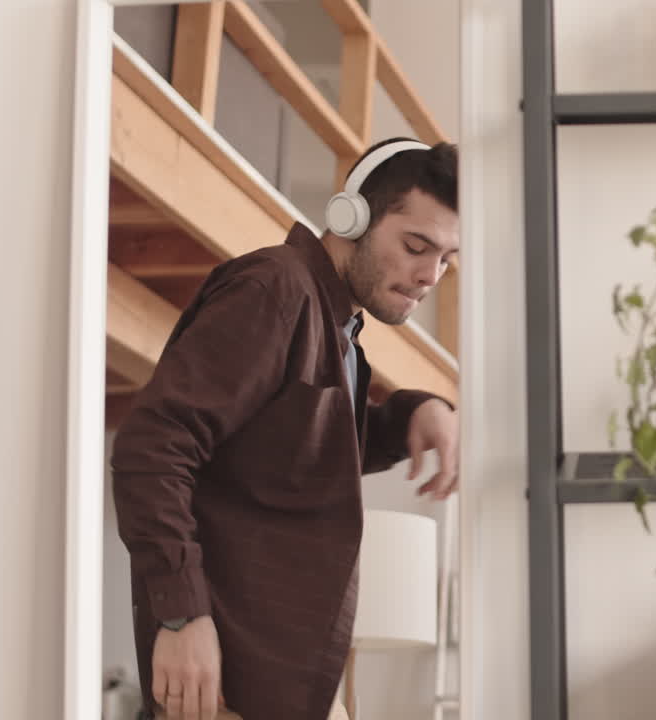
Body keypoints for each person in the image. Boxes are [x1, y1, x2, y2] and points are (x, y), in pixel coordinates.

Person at [111, 137, 460, 720]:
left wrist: (414, 412)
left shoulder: (338, 329)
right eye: (416, 246)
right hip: (221, 686)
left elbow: (305, 448)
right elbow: (154, 447)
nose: (430, 275)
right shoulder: (274, 291)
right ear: (351, 216)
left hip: (275, 686)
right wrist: (181, 614)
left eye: (446, 258)